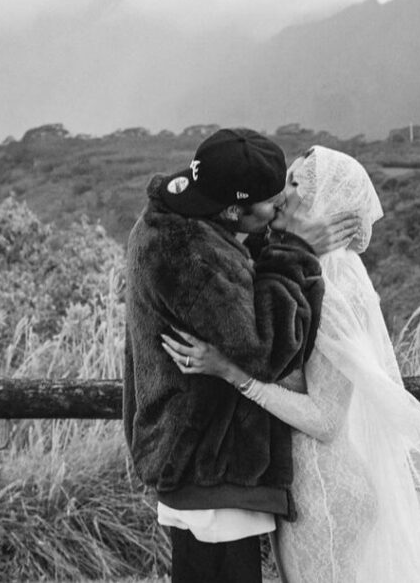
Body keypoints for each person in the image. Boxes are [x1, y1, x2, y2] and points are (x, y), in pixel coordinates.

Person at [162, 145, 420, 581]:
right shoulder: (305, 270)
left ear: (323, 204)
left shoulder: (329, 288)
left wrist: (233, 373)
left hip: (325, 493)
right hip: (311, 490)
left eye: (295, 184)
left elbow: (326, 419)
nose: (281, 194)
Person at [123, 129, 359, 583]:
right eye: (270, 203)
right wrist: (295, 251)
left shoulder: (179, 217)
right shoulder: (192, 254)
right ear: (233, 209)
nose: (280, 207)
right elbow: (267, 351)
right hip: (208, 461)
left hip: (192, 449)